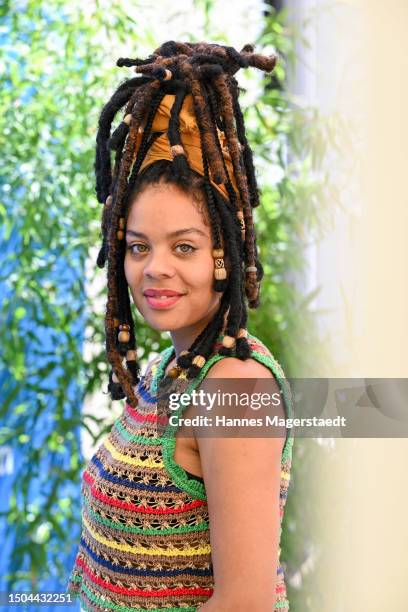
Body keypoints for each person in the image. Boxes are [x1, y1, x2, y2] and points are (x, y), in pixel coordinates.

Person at [67, 41, 294, 611]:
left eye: (184, 246)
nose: (155, 268)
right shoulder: (175, 368)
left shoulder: (235, 387)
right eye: (138, 247)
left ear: (225, 252)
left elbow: (245, 604)